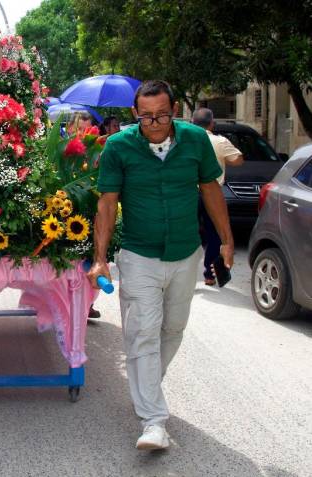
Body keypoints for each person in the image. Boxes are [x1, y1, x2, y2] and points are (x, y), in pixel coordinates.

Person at [88, 80, 233, 450]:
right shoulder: (119, 147)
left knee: (173, 329)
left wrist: (227, 240)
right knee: (143, 334)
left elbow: (211, 190)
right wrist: (100, 258)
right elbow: (107, 203)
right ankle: (154, 420)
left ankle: (147, 385)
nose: (154, 123)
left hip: (186, 252)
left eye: (162, 115)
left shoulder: (196, 141)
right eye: (146, 116)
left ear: (175, 112)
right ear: (135, 113)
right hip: (139, 255)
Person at [191, 108, 244, 285]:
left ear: (192, 122)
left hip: (188, 193)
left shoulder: (186, 140)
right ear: (212, 123)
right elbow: (238, 159)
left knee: (186, 232)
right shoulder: (219, 141)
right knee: (214, 234)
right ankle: (209, 274)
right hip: (212, 194)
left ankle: (185, 276)